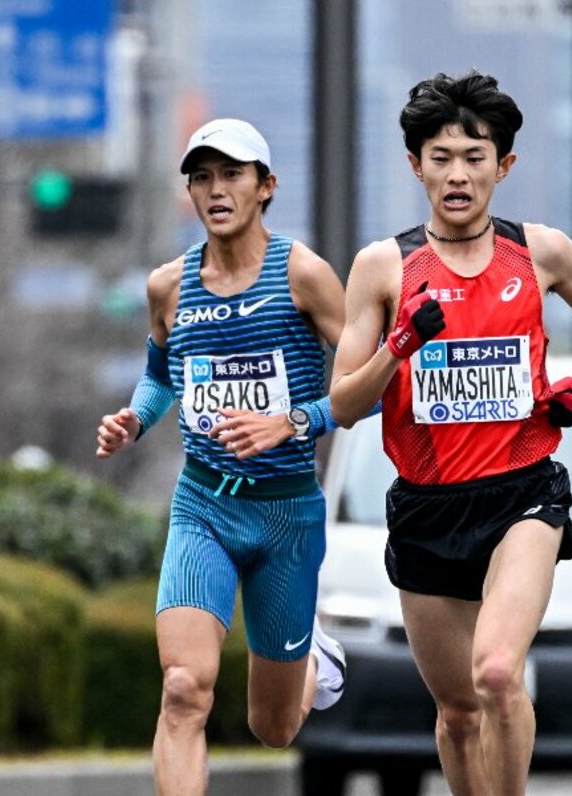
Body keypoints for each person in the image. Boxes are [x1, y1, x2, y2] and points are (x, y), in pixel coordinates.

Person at [329, 71, 572, 796]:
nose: (457, 174)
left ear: (504, 166)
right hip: (428, 507)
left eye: (474, 156)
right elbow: (340, 404)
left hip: (522, 495)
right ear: (415, 165)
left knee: (496, 672)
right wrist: (398, 347)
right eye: (440, 157)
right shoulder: (383, 267)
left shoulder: (542, 252)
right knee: (458, 712)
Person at [94, 118, 348, 796]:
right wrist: (134, 419)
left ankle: (313, 663)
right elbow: (160, 375)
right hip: (203, 505)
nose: (216, 189)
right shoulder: (168, 286)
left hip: (287, 514)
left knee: (275, 727)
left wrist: (291, 422)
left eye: (232, 175)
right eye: (201, 177)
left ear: (266, 187)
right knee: (183, 689)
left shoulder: (303, 274)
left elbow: (369, 384)